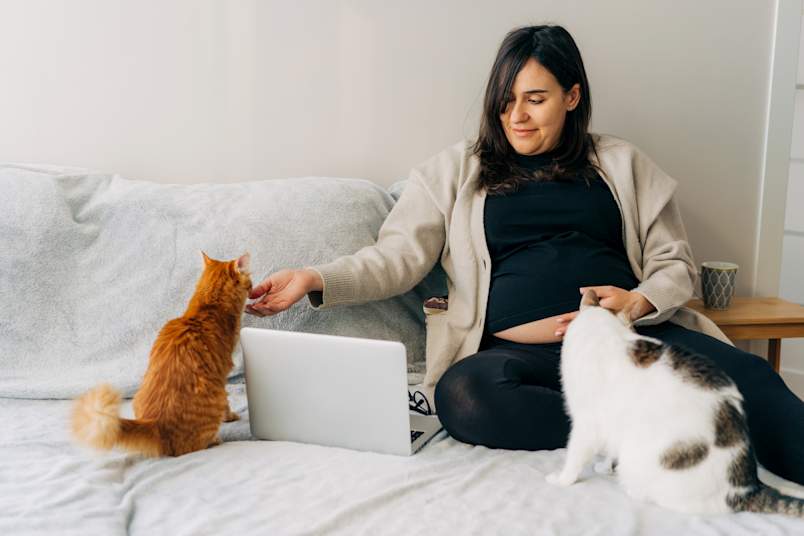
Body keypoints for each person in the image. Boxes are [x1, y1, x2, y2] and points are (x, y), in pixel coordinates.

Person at [246, 25, 804, 485]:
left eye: (536, 99)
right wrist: (314, 277)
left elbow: (675, 263)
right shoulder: (455, 170)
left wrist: (635, 301)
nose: (517, 116)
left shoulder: (622, 165)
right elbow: (395, 256)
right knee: (465, 395)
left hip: (627, 343)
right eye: (506, 101)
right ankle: (640, 425)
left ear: (572, 96)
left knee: (750, 377)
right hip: (521, 358)